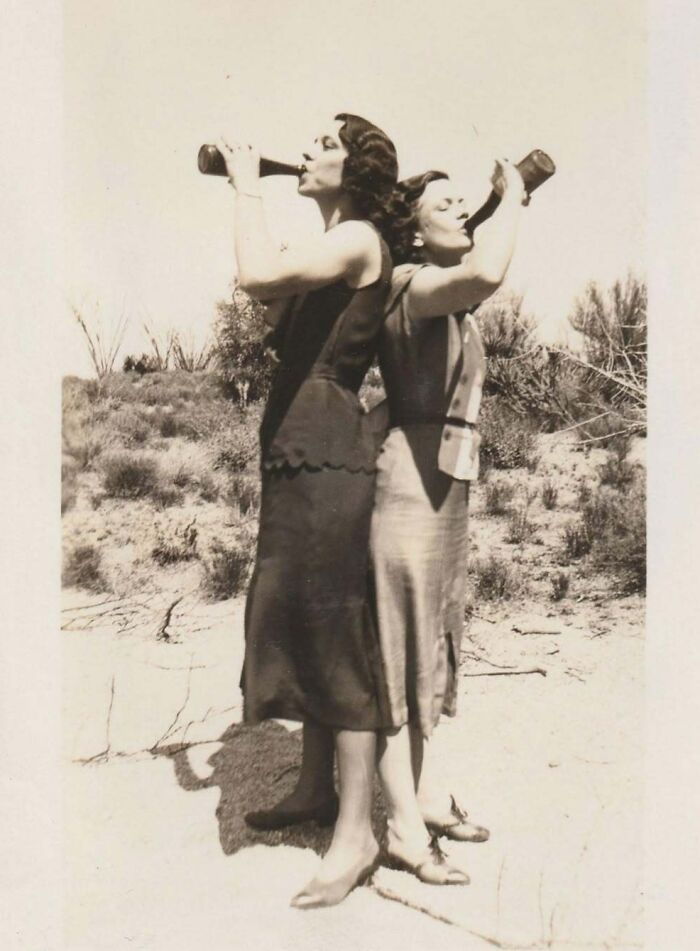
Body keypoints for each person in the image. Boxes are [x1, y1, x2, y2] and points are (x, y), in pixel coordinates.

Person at [216, 114, 400, 909]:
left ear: (356, 171)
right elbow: (278, 301)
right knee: (296, 615)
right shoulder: (333, 246)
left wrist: (244, 184)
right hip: (297, 448)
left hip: (328, 456)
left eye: (328, 143)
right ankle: (315, 787)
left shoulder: (359, 237)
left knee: (333, 632)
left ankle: (356, 835)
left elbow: (256, 277)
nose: (310, 148)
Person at [372, 159, 528, 882]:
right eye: (446, 203)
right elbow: (487, 275)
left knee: (431, 647)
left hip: (446, 492)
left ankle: (427, 797)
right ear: (412, 228)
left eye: (468, 203)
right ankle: (402, 830)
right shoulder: (412, 284)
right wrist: (515, 198)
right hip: (407, 489)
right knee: (398, 657)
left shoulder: (445, 299)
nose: (464, 210)